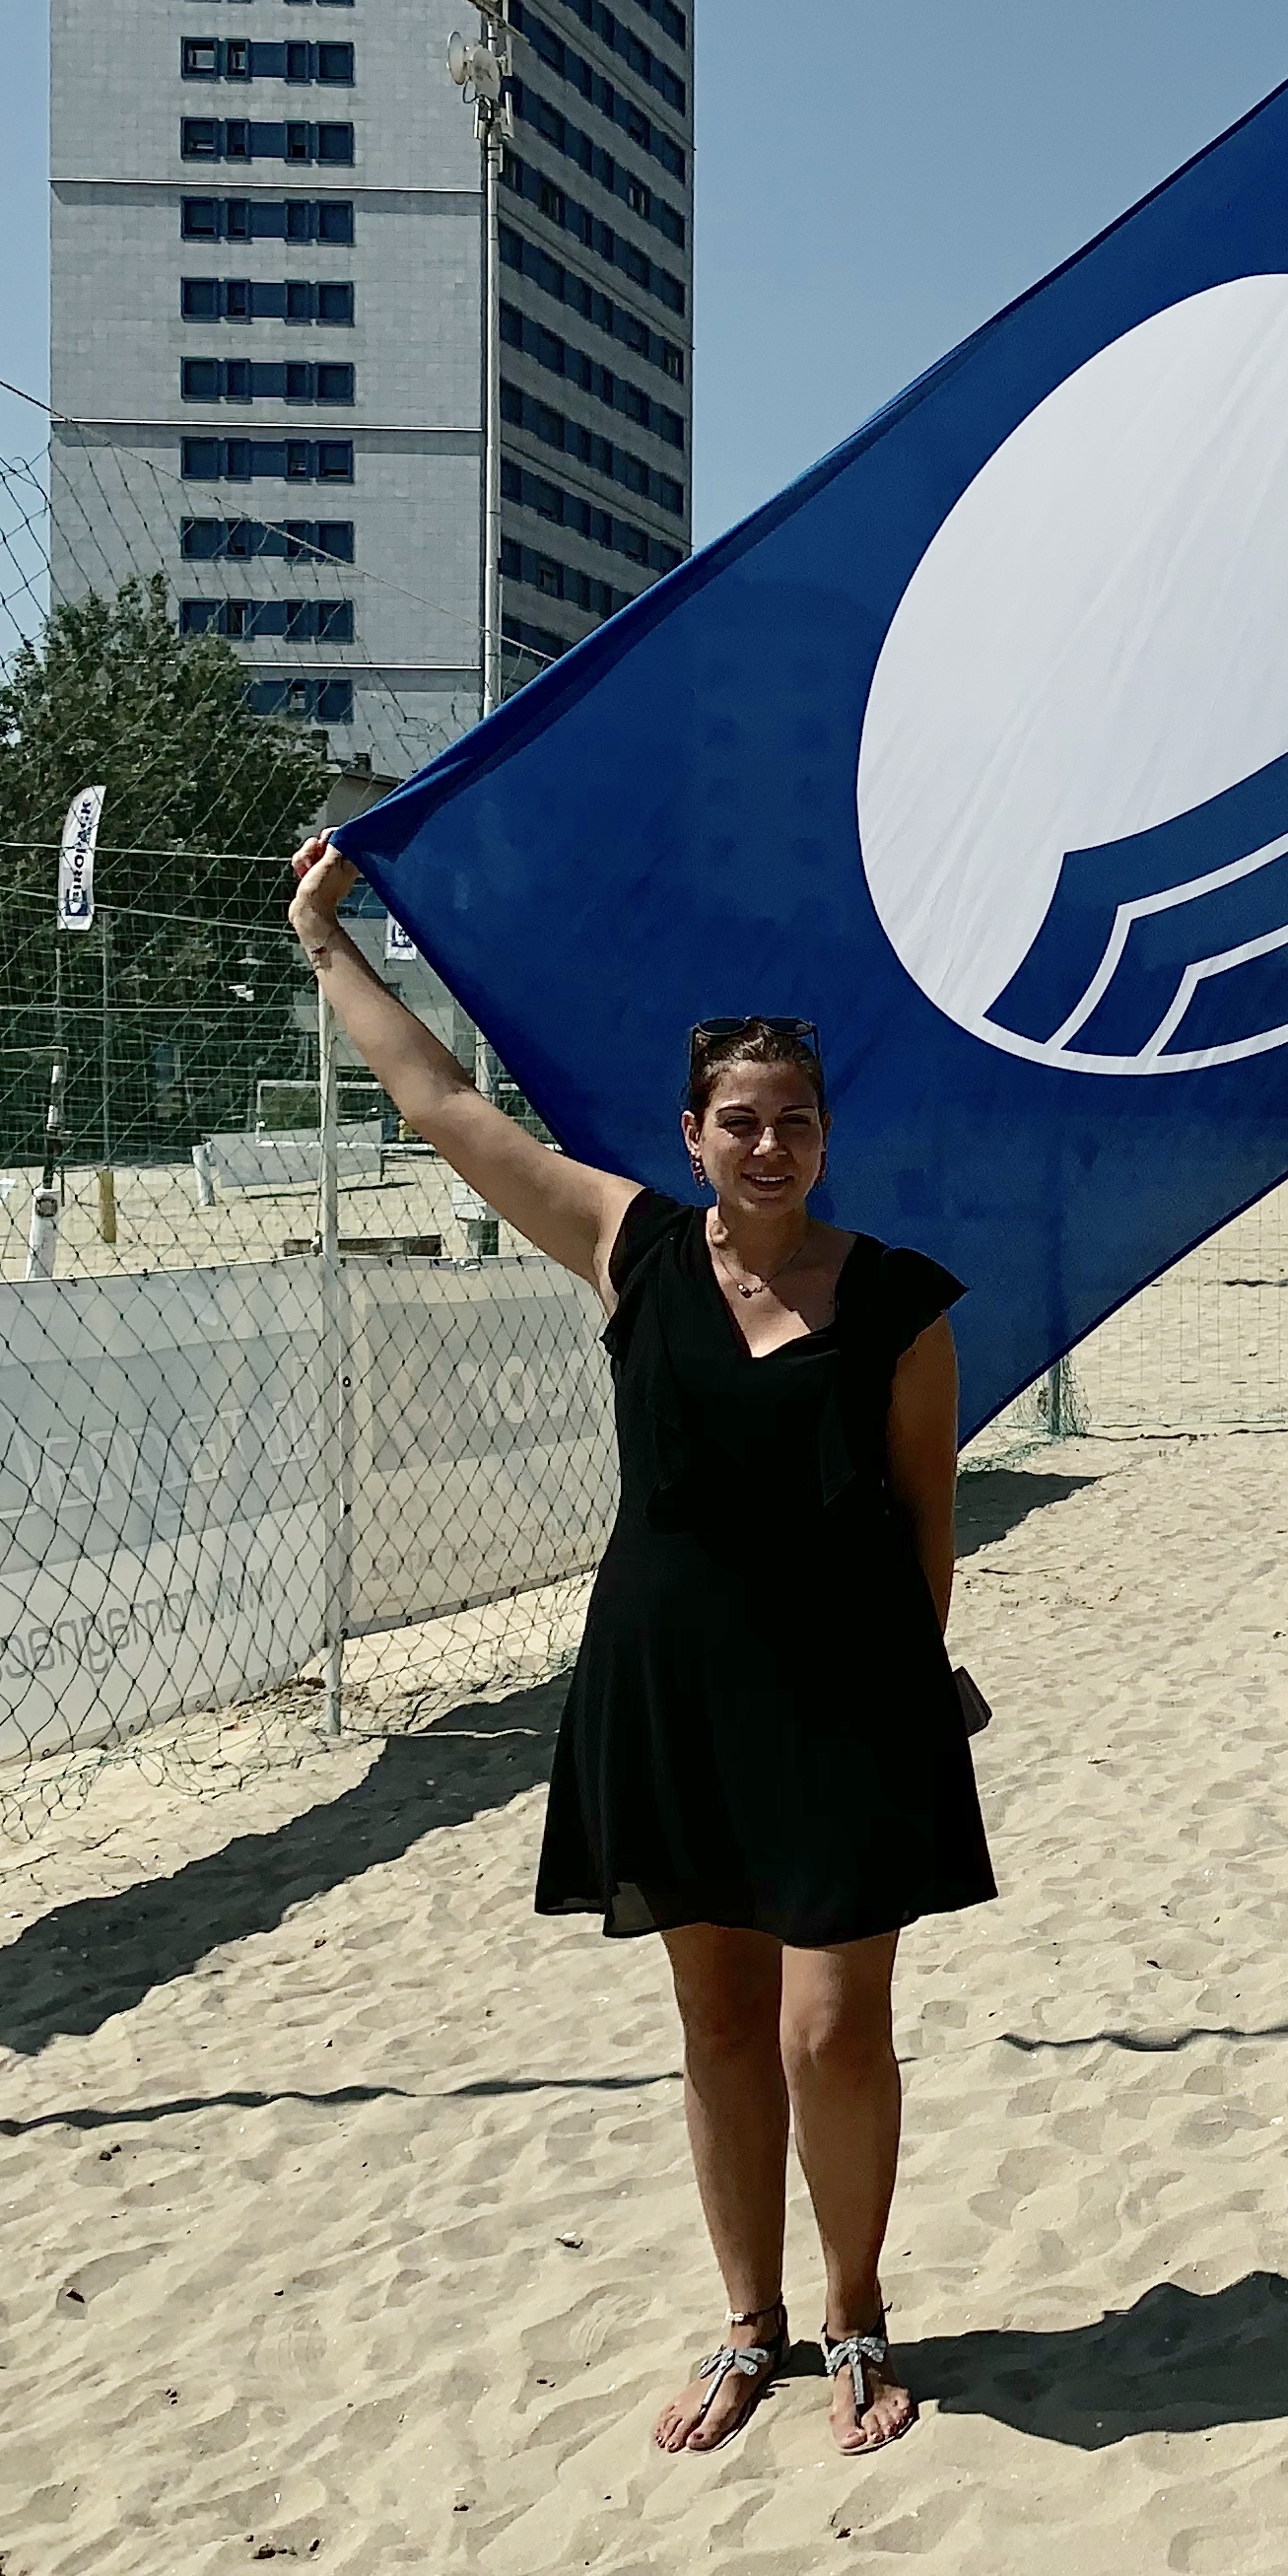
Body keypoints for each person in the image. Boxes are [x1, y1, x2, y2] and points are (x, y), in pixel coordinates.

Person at [285, 835, 991, 2458]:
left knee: (835, 2030)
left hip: (846, 1705)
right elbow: (445, 1117)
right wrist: (332, 947)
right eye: (737, 1121)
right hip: (669, 1696)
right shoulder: (633, 1249)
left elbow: (924, 1526)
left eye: (794, 1120)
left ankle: (858, 2311)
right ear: (691, 1137)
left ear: (826, 1135)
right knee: (722, 2024)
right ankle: (750, 2328)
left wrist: (902, 1689)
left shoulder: (898, 1302)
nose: (767, 1144)